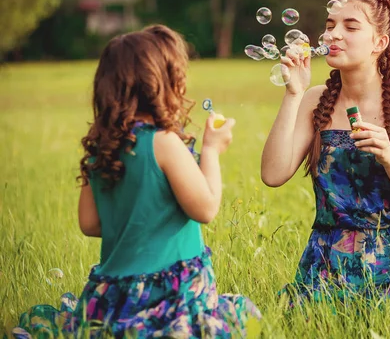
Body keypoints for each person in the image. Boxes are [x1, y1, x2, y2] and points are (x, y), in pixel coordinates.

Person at [12, 25, 261, 338]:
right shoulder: (165, 143)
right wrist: (211, 149)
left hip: (112, 296)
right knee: (241, 314)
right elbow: (206, 209)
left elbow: (90, 224)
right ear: (163, 86)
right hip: (172, 295)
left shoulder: (100, 149)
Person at [261, 0, 390, 309]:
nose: (334, 34)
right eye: (330, 25)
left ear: (380, 43)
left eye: (350, 26)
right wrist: (293, 93)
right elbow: (273, 174)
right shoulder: (314, 100)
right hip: (328, 263)